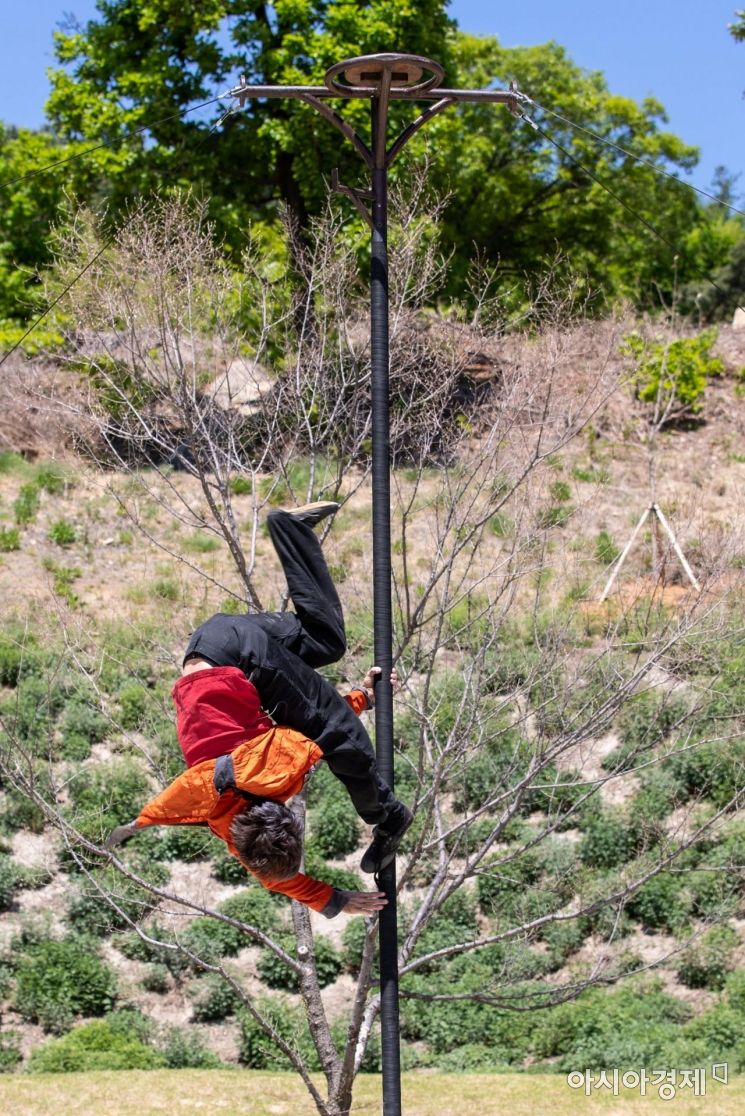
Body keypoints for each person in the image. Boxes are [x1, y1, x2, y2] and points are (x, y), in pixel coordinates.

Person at [107, 502, 412, 918]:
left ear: (281, 812)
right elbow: (273, 876)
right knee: (325, 641)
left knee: (346, 744)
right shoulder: (227, 824)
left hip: (238, 659)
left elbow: (325, 728)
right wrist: (335, 901)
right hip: (213, 641)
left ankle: (389, 816)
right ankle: (290, 529)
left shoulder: (264, 773)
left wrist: (364, 697)